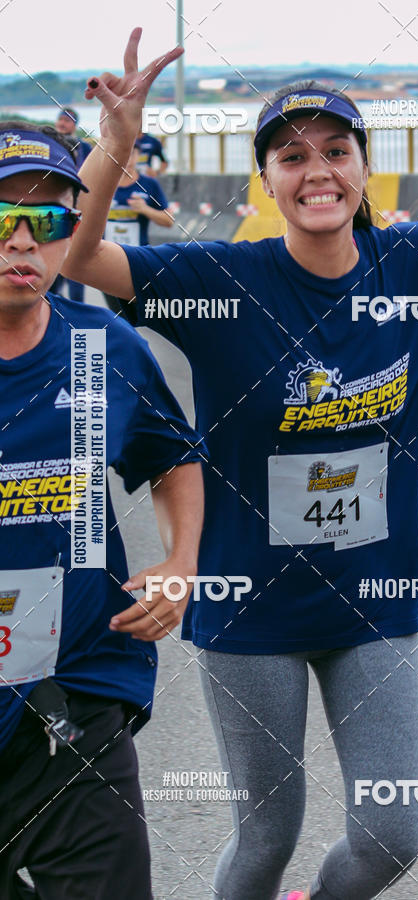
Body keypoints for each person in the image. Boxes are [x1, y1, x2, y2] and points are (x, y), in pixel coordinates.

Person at [62, 18, 418, 899]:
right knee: (266, 835)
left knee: (392, 836)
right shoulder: (222, 283)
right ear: (268, 181)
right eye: (292, 156)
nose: (317, 170)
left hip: (372, 607)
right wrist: (115, 145)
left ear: (360, 166)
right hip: (249, 615)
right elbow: (70, 254)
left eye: (336, 150)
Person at [0, 112, 206, 898]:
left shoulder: (106, 349)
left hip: (74, 701)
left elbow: (172, 457)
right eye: (3, 217)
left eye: (49, 219)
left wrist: (180, 563)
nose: (24, 240)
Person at [103, 140, 173, 313]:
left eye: (131, 153)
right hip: (106, 257)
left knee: (136, 314)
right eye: (122, 153)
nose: (126, 158)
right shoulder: (102, 183)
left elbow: (168, 220)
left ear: (137, 156)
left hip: (137, 258)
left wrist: (145, 209)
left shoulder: (149, 184)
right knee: (116, 314)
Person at [53, 108, 93, 302]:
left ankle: (78, 314)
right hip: (57, 211)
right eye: (60, 120)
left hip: (79, 211)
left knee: (77, 269)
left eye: (66, 121)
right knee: (55, 271)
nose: (62, 124)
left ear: (74, 125)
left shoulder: (84, 147)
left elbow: (94, 176)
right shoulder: (49, 144)